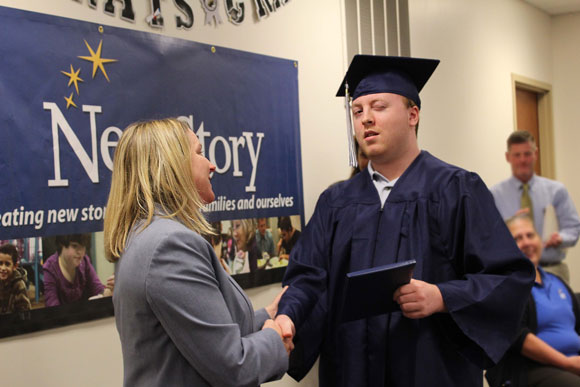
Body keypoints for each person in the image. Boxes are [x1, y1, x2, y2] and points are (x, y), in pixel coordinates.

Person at [274, 55, 535, 386]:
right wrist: (287, 316)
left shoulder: (457, 190)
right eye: (358, 111)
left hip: (431, 369)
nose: (366, 119)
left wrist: (442, 296)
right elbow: (308, 278)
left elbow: (508, 276)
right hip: (351, 372)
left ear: (413, 115)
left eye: (379, 107)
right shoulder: (336, 203)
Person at [103, 118, 289, 387]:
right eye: (200, 153)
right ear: (171, 165)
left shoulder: (142, 237)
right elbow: (234, 367)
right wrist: (274, 339)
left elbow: (201, 330)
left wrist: (266, 314)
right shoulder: (170, 246)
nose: (212, 164)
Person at [486, 214, 580, 386]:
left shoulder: (557, 282)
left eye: (530, 235)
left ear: (540, 240)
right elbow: (517, 336)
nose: (527, 242)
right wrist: (568, 363)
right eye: (518, 238)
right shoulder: (506, 284)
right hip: (530, 369)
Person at [491, 130, 580, 283]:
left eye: (527, 154)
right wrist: (512, 224)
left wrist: (560, 238)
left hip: (552, 270)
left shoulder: (556, 190)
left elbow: (573, 228)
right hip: (514, 273)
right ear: (508, 157)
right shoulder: (494, 195)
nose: (523, 160)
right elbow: (489, 236)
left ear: (535, 154)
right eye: (517, 155)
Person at [42, 234, 113, 307]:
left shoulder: (84, 261)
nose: (80, 252)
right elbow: (52, 309)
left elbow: (98, 290)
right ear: (62, 245)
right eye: (74, 246)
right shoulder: (49, 270)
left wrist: (110, 290)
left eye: (83, 246)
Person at [0, 243, 31, 317]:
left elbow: (25, 312)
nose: (3, 268)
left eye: (7, 264)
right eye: (0, 263)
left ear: (14, 266)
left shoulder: (19, 285)